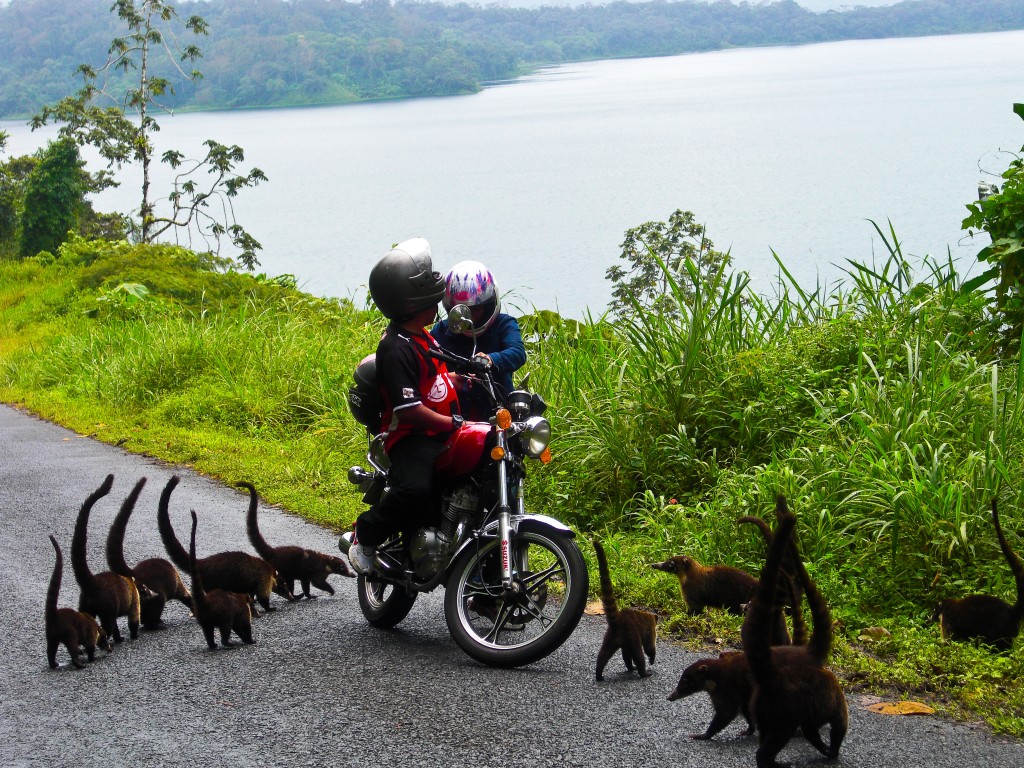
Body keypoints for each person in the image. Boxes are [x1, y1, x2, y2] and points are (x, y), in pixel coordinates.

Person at [346, 237, 464, 574]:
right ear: (412, 300)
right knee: (416, 489)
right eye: (428, 287)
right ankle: (366, 534)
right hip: (412, 437)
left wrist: (464, 378)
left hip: (437, 431)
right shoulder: (396, 349)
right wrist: (452, 423)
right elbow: (409, 410)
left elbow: (433, 378)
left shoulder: (420, 335)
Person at [431, 260, 526, 421]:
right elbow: (425, 365)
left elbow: (517, 353)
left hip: (499, 411)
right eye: (462, 311)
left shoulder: (504, 324)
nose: (469, 317)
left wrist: (490, 360)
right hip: (453, 416)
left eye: (475, 309)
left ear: (488, 304)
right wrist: (448, 378)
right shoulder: (440, 331)